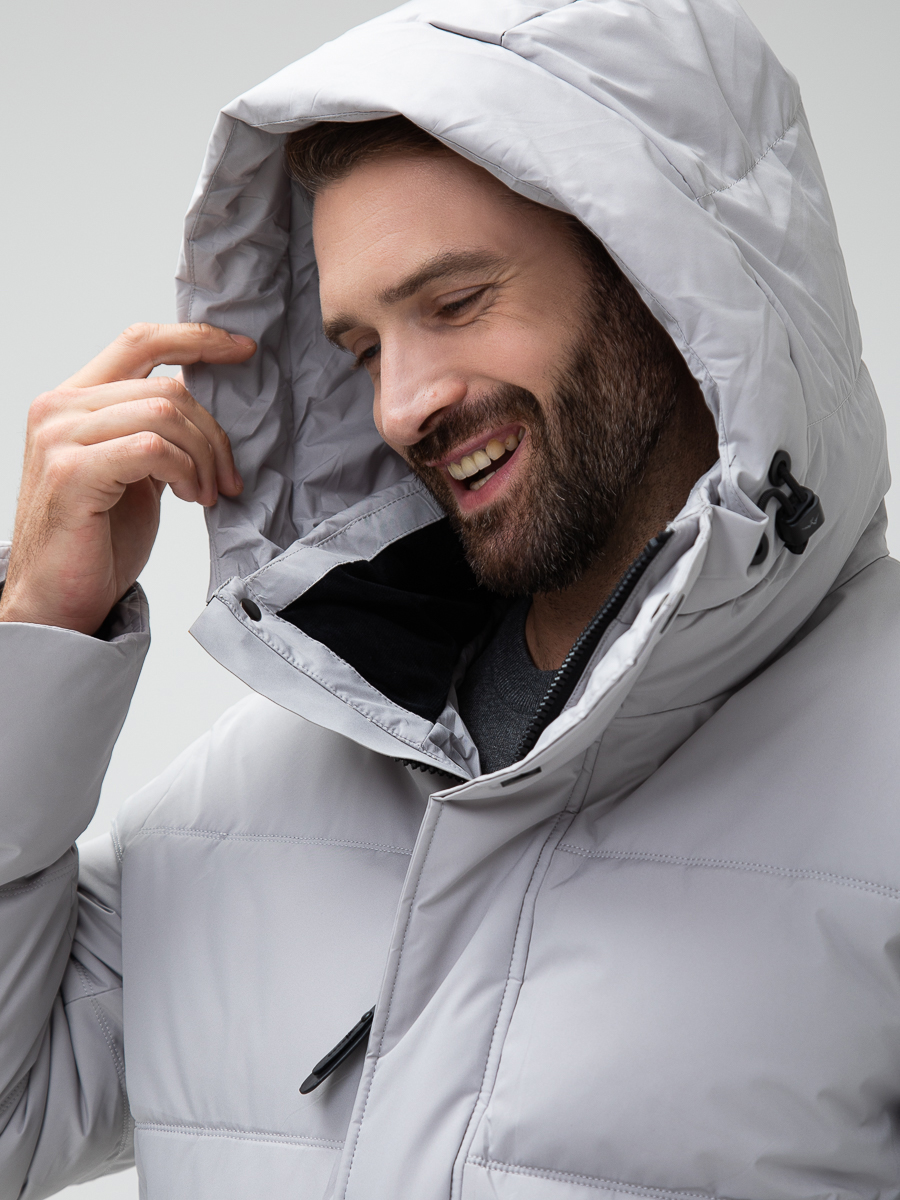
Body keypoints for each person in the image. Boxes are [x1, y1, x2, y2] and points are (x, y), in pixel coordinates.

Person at [1, 1, 898, 1197]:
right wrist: (38, 626)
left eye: (458, 302)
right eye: (365, 347)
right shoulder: (237, 804)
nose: (401, 407)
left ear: (668, 276)